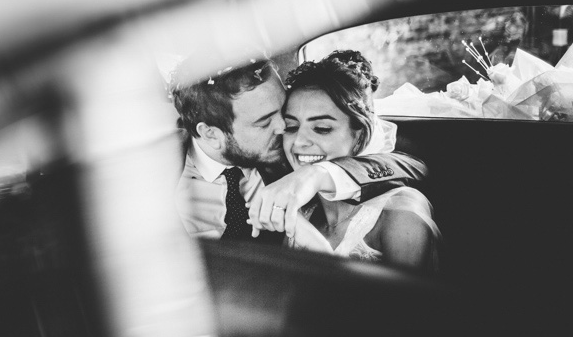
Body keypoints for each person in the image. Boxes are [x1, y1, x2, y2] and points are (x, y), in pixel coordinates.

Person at [170, 56, 427, 245]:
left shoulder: (285, 157)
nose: (284, 129)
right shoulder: (157, 175)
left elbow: (409, 166)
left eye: (283, 113)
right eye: (264, 121)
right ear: (210, 134)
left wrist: (317, 175)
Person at [273, 50, 439, 269]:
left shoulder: (401, 216)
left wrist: (313, 242)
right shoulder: (303, 210)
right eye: (291, 127)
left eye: (322, 128)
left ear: (359, 134)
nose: (298, 142)